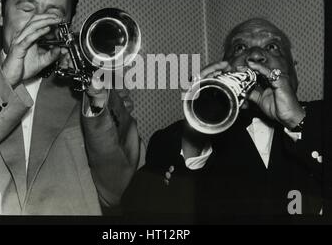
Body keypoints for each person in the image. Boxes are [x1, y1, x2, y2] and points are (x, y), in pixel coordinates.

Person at [0, 0, 144, 215]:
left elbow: (116, 193)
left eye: (53, 14)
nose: (38, 25)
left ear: (68, 24)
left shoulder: (92, 94)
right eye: (27, 9)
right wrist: (5, 80)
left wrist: (97, 105)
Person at [122, 18, 324, 220]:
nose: (254, 55)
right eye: (240, 48)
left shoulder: (323, 119)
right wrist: (197, 136)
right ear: (225, 66)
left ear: (293, 65)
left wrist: (297, 121)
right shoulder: (177, 138)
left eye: (272, 47)